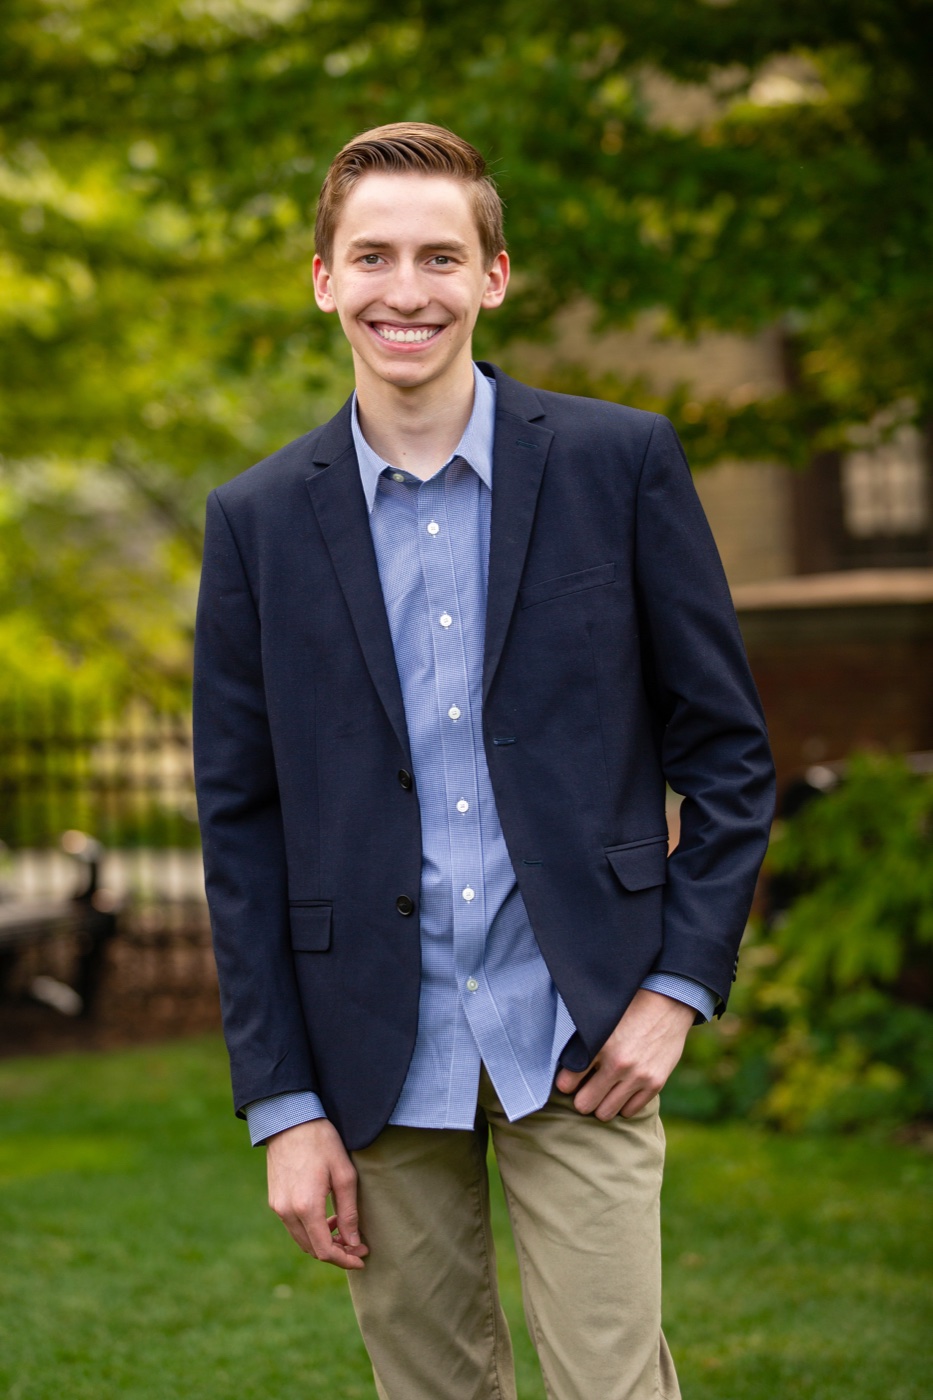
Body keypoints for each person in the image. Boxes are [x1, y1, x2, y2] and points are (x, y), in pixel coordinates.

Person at [193, 122, 775, 1400]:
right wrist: (281, 1102)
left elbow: (728, 755)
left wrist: (676, 990)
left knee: (613, 1386)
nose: (408, 289)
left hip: (586, 1028)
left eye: (441, 255)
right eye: (375, 256)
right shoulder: (254, 523)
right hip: (370, 1048)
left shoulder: (620, 464)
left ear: (494, 276)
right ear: (324, 278)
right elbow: (240, 828)